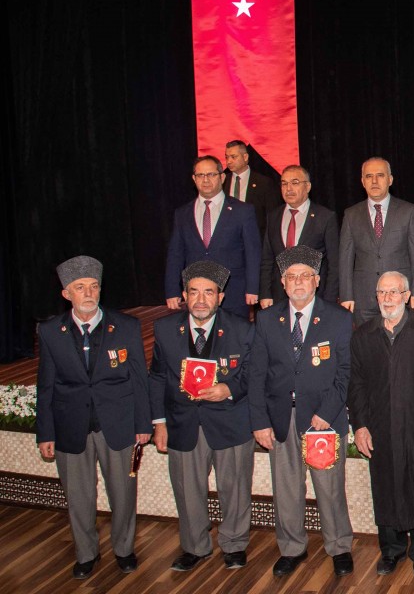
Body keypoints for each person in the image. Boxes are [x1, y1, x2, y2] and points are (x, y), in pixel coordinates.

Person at [36, 256, 150, 579]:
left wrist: (143, 425)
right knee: (78, 496)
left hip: (118, 424)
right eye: (80, 287)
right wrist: (45, 433)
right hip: (70, 426)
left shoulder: (126, 326)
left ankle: (124, 550)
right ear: (66, 294)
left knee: (123, 493)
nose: (88, 293)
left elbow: (139, 379)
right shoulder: (50, 331)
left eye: (94, 286)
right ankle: (86, 554)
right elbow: (46, 385)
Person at [248, 245, 355, 578]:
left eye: (305, 276)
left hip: (323, 420)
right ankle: (292, 547)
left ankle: (339, 546)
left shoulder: (338, 318)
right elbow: (256, 373)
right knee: (286, 489)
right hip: (281, 417)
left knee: (330, 488)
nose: (298, 282)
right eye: (291, 276)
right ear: (282, 282)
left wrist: (328, 411)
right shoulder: (267, 319)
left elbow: (346, 371)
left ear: (317, 280)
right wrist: (260, 421)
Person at [149, 261, 255, 571]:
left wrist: (228, 388)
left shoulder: (242, 329)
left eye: (208, 292)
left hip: (230, 419)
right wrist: (159, 423)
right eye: (194, 292)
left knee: (235, 487)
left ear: (220, 297)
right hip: (183, 423)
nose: (200, 299)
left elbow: (254, 374)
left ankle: (234, 544)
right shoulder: (165, 329)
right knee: (187, 489)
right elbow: (157, 377)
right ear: (184, 295)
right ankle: (194, 546)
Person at [349, 270, 414, 578]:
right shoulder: (363, 335)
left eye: (394, 292)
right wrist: (360, 425)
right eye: (382, 292)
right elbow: (357, 385)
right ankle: (390, 550)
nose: (387, 298)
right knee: (385, 487)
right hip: (380, 427)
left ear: (407, 296)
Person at [165, 155, 261, 317]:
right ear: (194, 179)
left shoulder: (243, 211)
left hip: (234, 292)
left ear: (222, 177)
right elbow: (175, 254)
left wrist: (253, 288)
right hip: (197, 295)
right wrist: (172, 289)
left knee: (236, 332)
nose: (205, 180)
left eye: (211, 174)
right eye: (200, 175)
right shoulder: (182, 214)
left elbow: (253, 253)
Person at [338, 157, 414, 324]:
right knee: (366, 340)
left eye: (380, 175)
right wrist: (346, 295)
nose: (374, 181)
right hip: (364, 298)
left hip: (399, 296)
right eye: (369, 176)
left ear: (390, 180)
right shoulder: (351, 215)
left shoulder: (408, 211)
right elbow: (345, 258)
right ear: (362, 182)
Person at [259, 165, 340, 307]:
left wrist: (329, 300)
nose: (288, 189)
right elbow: (267, 259)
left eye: (295, 183)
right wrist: (265, 294)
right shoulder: (273, 216)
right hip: (279, 297)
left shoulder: (325, 217)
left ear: (307, 187)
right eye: (284, 184)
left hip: (314, 296)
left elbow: (334, 263)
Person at [223, 139, 281, 239]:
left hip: (255, 238)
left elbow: (272, 217)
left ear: (245, 157)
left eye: (233, 157)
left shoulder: (264, 183)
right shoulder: (222, 182)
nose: (229, 161)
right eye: (227, 157)